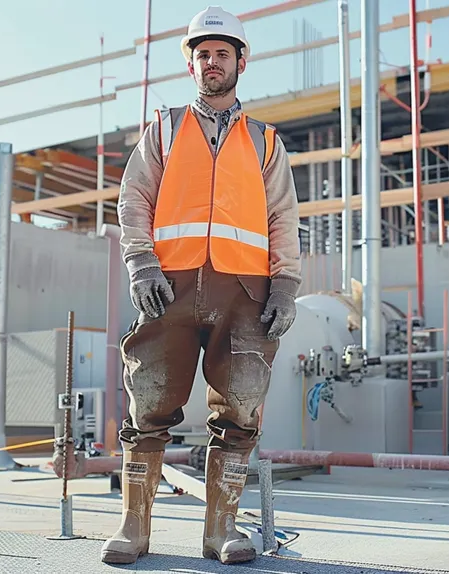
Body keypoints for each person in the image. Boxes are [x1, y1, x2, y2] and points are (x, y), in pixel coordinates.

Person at [100, 5, 302, 566]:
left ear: (242, 61)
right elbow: (134, 198)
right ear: (191, 65)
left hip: (245, 293)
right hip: (170, 286)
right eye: (202, 55)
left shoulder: (264, 142)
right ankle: (133, 529)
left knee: (240, 411)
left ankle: (221, 532)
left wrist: (285, 283)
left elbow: (283, 214)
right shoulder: (164, 129)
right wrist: (141, 264)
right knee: (148, 404)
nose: (212, 63)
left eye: (222, 54)